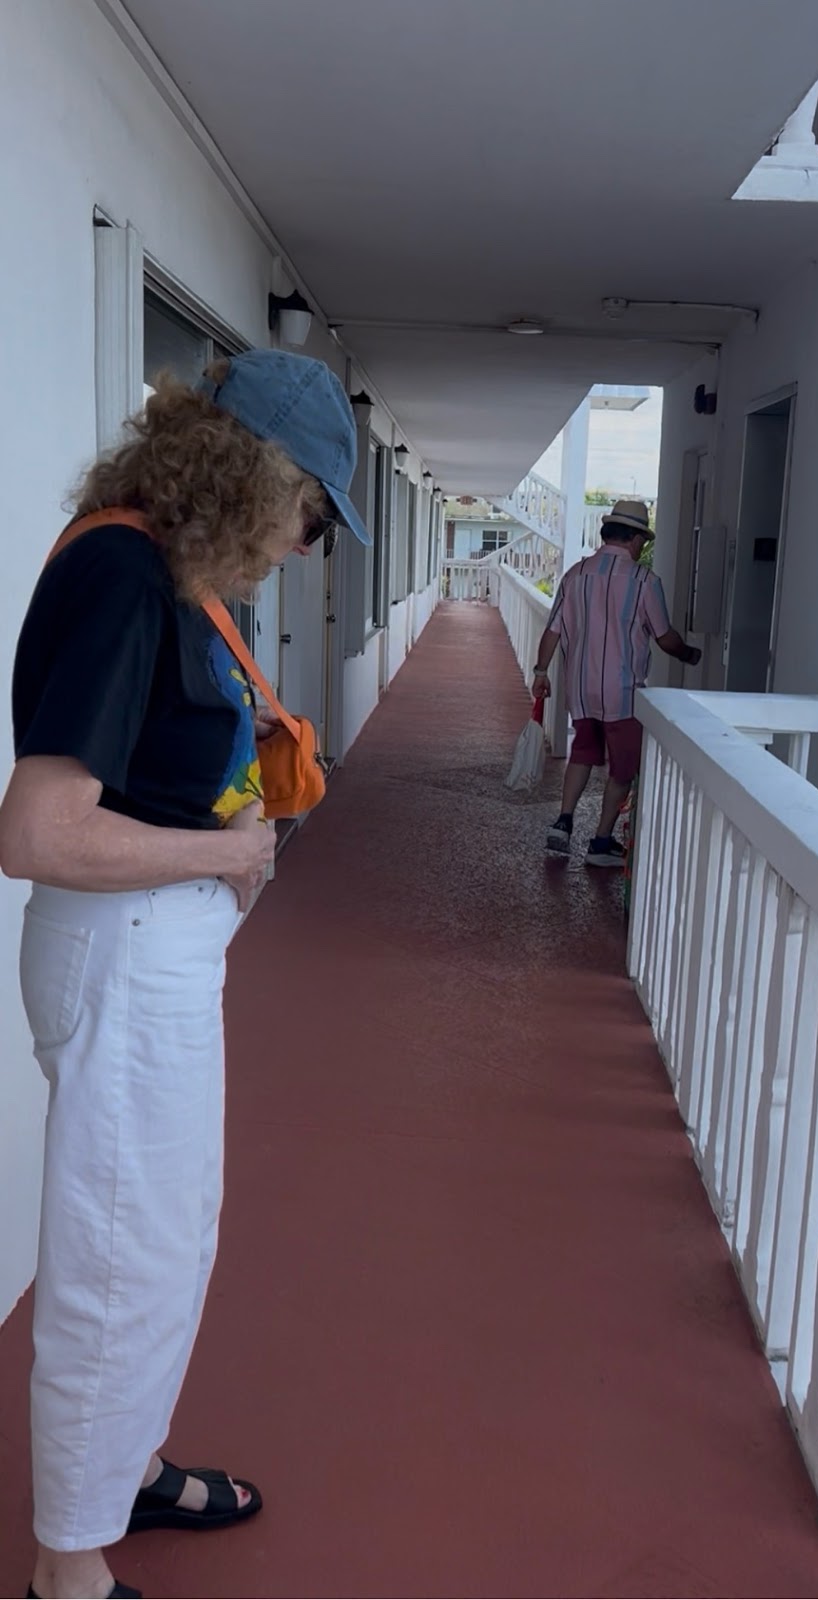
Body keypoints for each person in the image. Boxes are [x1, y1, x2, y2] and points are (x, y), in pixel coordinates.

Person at [0, 349, 371, 1600]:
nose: (306, 548)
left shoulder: (161, 569)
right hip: (124, 954)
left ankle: (126, 1469)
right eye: (311, 515)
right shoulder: (123, 575)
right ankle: (69, 1563)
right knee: (120, 1256)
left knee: (163, 1238)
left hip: (149, 953)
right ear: (251, 476)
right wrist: (226, 850)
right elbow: (36, 831)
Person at [532, 499, 701, 866]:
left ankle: (563, 822)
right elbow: (664, 638)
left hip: (581, 689)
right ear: (636, 539)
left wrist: (541, 673)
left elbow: (553, 630)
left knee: (582, 753)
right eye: (643, 541)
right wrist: (689, 654)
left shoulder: (575, 575)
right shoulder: (645, 582)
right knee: (623, 768)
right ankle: (601, 842)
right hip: (623, 694)